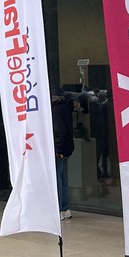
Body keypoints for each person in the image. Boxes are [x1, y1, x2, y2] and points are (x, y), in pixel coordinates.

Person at [52, 89, 75, 220]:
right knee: (63, 178)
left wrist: (57, 150)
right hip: (66, 148)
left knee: (58, 179)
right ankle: (65, 208)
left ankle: (60, 208)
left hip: (59, 149)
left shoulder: (56, 111)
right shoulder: (65, 108)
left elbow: (59, 131)